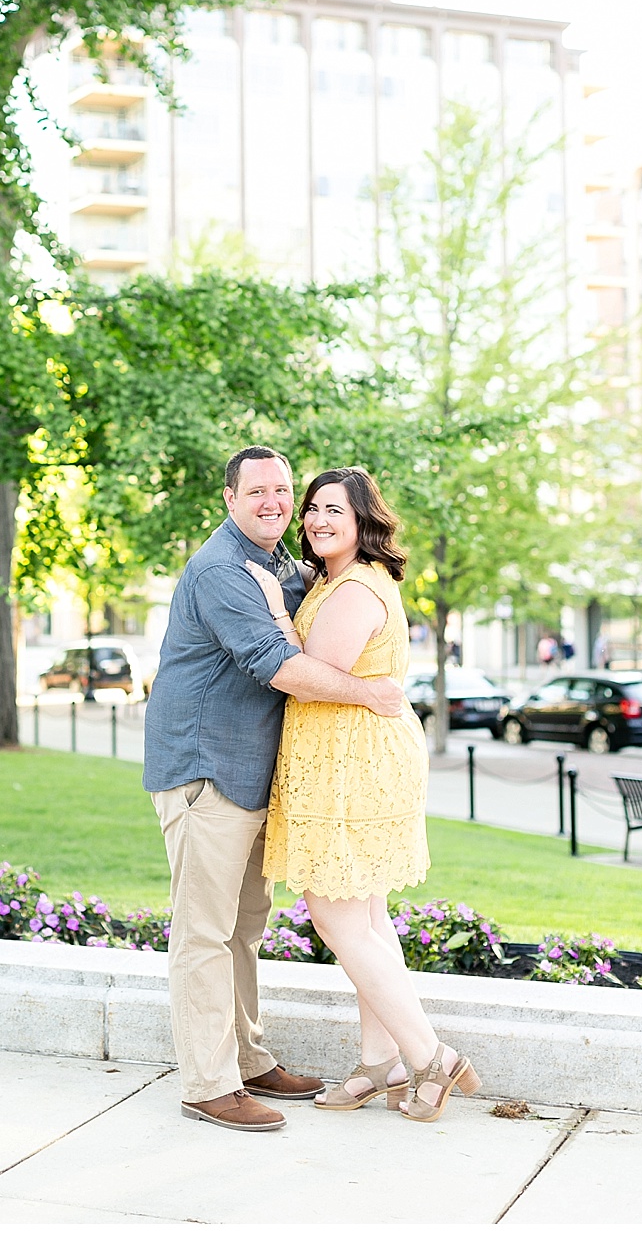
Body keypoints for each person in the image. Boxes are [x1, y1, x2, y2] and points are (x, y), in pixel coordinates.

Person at [143, 445, 412, 1134]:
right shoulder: (221, 570)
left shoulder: (282, 568)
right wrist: (373, 696)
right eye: (258, 490)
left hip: (254, 773)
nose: (275, 502)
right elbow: (281, 663)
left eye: (284, 490)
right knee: (205, 930)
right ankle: (209, 1081)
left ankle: (248, 1058)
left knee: (243, 927)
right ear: (229, 498)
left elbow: (323, 617)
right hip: (205, 770)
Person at [243, 466, 481, 1123]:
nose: (317, 519)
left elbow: (308, 675)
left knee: (337, 917)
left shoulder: (353, 588)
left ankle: (431, 1054)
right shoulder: (343, 580)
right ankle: (382, 1063)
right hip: (352, 755)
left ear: (363, 521)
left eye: (333, 511)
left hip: (352, 763)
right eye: (312, 509)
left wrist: (269, 607)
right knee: (368, 919)